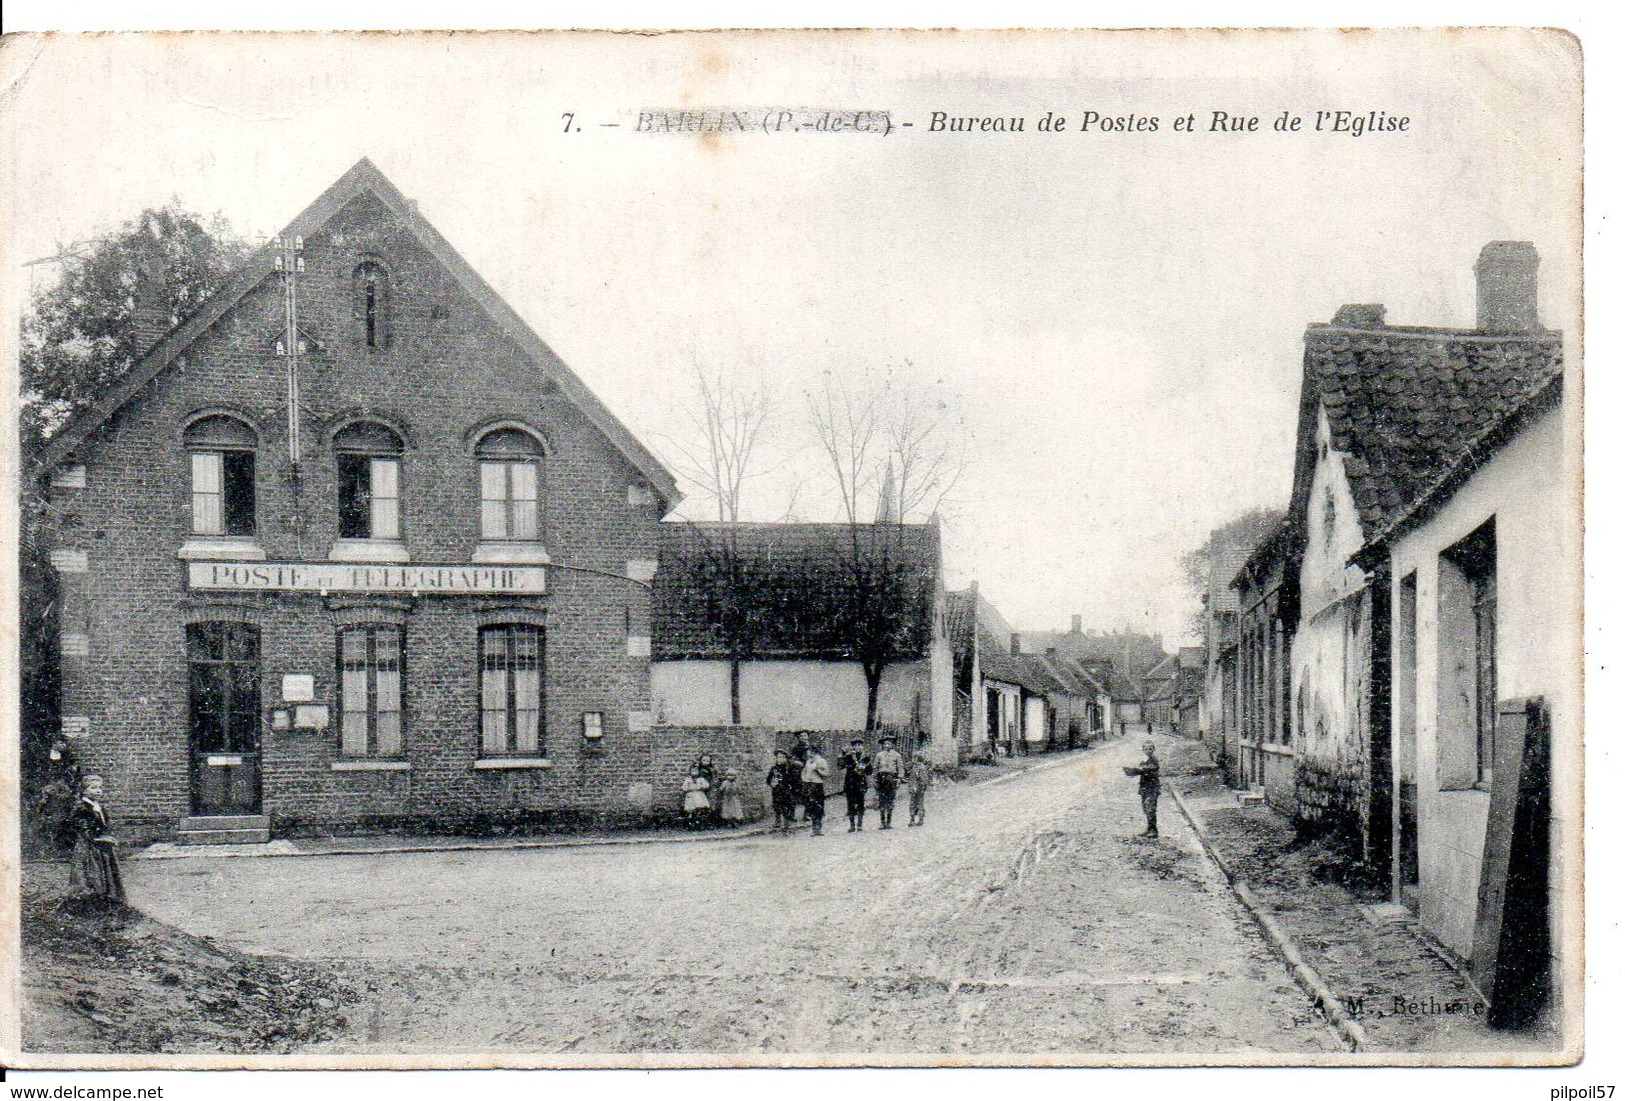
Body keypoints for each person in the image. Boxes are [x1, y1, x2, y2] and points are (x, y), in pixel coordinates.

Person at [66, 775, 125, 905]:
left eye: (100, 788)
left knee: (105, 872)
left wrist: (107, 835)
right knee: (91, 872)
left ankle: (108, 899)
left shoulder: (99, 806)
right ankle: (89, 901)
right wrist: (99, 837)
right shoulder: (81, 808)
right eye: (93, 788)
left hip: (101, 845)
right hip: (88, 846)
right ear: (84, 790)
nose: (98, 791)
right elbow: (83, 828)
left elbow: (105, 824)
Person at [1124, 740, 1161, 838]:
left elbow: (1154, 768)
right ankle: (1149, 828)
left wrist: (1142, 769)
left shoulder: (1154, 759)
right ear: (1143, 750)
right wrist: (1131, 771)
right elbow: (1139, 770)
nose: (1148, 750)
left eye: (1150, 748)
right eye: (1146, 749)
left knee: (1151, 808)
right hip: (1144, 787)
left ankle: (1153, 830)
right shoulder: (1143, 760)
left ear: (1154, 749)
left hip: (1153, 787)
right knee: (1145, 807)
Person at [839, 738, 871, 832]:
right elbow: (840, 766)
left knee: (861, 803)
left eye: (860, 745)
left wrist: (867, 767)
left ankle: (860, 824)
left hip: (861, 783)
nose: (858, 747)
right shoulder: (848, 757)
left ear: (862, 747)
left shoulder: (865, 758)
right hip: (850, 783)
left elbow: (869, 772)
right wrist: (842, 755)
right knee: (851, 804)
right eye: (856, 745)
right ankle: (852, 825)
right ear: (853, 747)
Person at [872, 736, 904, 829]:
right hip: (881, 778)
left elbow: (900, 767)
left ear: (892, 745)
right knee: (882, 800)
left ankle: (889, 822)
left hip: (891, 778)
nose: (887, 745)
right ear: (883, 745)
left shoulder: (897, 755)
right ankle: (882, 822)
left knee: (890, 799)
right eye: (885, 744)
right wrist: (874, 779)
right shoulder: (879, 755)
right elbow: (875, 767)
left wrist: (899, 778)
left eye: (889, 743)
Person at [766, 750, 798, 834]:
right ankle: (777, 821)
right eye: (779, 757)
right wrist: (772, 783)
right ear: (776, 759)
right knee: (777, 805)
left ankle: (787, 824)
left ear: (786, 759)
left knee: (787, 806)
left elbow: (795, 779)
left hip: (787, 790)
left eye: (783, 757)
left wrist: (790, 785)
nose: (781, 759)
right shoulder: (774, 769)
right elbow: (768, 779)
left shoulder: (789, 768)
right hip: (777, 790)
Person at [801, 745, 830, 837]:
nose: (807, 753)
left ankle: (818, 829)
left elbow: (826, 774)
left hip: (817, 785)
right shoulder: (808, 762)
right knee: (811, 806)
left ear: (813, 751)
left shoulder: (821, 761)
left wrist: (817, 770)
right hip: (809, 785)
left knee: (818, 807)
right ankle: (814, 829)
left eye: (808, 751)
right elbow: (804, 772)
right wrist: (804, 779)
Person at [907, 743, 933, 827]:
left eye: (914, 758)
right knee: (913, 803)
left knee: (918, 803)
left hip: (918, 788)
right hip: (914, 787)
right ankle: (912, 819)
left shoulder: (921, 767)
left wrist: (921, 787)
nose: (913, 759)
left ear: (918, 759)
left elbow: (924, 779)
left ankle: (920, 819)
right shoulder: (914, 767)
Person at [681, 765, 712, 829]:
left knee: (699, 808)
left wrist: (701, 787)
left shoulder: (701, 779)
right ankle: (690, 823)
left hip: (699, 795)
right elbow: (684, 787)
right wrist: (688, 788)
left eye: (696, 771)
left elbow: (706, 785)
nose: (694, 772)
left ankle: (698, 822)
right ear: (690, 772)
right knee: (691, 809)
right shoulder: (688, 779)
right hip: (691, 795)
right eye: (693, 771)